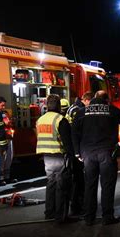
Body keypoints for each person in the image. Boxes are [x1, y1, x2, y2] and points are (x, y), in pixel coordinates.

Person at [72, 90, 120, 225]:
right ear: (107, 100)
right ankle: (107, 216)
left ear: (93, 98)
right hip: (107, 153)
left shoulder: (82, 112)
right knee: (107, 185)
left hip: (88, 153)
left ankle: (89, 217)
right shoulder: (110, 109)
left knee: (89, 185)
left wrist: (77, 152)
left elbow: (74, 132)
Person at [36, 94, 74, 223]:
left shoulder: (40, 120)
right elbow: (67, 141)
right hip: (59, 155)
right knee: (61, 186)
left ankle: (49, 213)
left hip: (46, 156)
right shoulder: (60, 119)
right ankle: (61, 217)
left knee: (50, 184)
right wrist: (72, 156)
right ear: (58, 105)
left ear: (47, 105)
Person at [64, 91, 93, 216]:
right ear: (86, 100)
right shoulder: (78, 110)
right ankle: (77, 206)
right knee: (78, 179)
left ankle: (78, 205)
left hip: (74, 148)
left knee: (77, 179)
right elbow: (77, 131)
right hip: (77, 149)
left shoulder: (74, 108)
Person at [0, 97, 16, 186]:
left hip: (8, 137)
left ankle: (7, 177)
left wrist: (10, 122)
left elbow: (8, 124)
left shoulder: (4, 113)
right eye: (2, 105)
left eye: (4, 105)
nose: (4, 107)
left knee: (8, 157)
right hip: (0, 139)